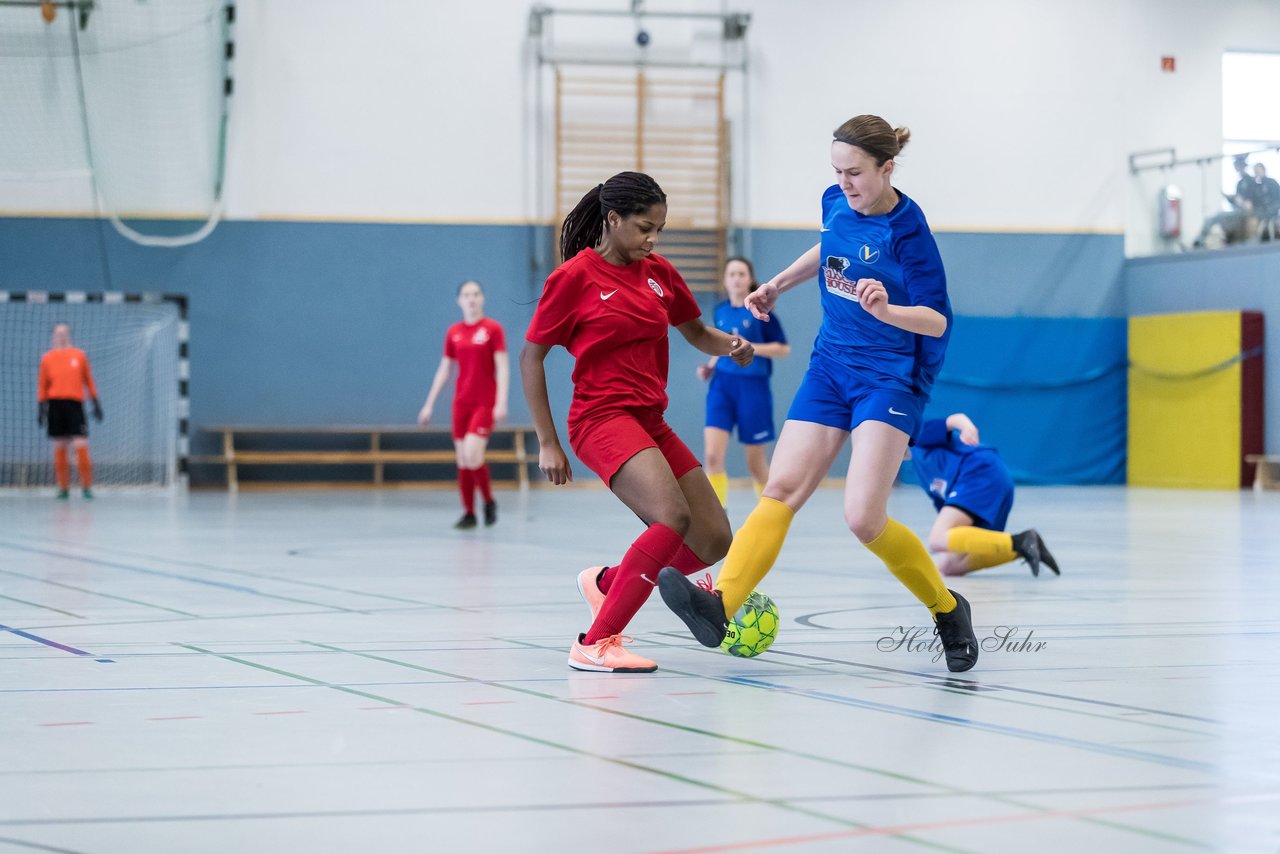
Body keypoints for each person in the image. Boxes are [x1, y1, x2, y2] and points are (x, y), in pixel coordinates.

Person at [656, 114, 983, 673]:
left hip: (890, 376)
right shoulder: (835, 200)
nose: (845, 182)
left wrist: (887, 310)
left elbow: (936, 320)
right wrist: (779, 283)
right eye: (837, 170)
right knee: (780, 488)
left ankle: (948, 608)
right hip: (830, 366)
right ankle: (719, 604)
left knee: (863, 517)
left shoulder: (910, 234)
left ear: (887, 168)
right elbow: (829, 244)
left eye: (856, 172)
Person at [520, 171, 755, 674]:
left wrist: (730, 344)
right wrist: (548, 442)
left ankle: (607, 583)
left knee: (713, 538)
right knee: (672, 517)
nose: (653, 239)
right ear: (613, 220)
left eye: (660, 230)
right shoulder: (573, 279)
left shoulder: (659, 273)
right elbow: (531, 358)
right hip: (600, 418)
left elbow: (695, 332)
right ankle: (596, 641)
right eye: (646, 228)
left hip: (651, 420)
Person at [909, 412, 1059, 577]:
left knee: (937, 539)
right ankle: (1025, 547)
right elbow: (946, 510)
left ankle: (1020, 541)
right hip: (988, 480)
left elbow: (955, 419)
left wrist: (967, 427)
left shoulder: (917, 434)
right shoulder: (922, 471)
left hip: (979, 472)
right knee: (948, 566)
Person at [699, 256, 790, 508]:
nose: (736, 279)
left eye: (741, 274)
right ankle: (717, 517)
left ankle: (770, 512)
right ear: (725, 280)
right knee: (712, 456)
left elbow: (782, 349)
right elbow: (722, 345)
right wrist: (711, 365)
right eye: (732, 274)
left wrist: (750, 348)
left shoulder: (762, 312)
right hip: (721, 387)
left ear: (750, 279)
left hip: (753, 387)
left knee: (755, 463)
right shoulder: (720, 311)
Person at [417, 281, 509, 529]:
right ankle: (469, 513)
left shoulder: (492, 329)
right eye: (466, 295)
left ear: (482, 298)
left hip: (484, 402)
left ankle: (489, 501)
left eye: (476, 294)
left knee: (472, 453)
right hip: (461, 403)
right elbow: (444, 369)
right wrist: (429, 404)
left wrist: (500, 402)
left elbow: (502, 367)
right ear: (459, 300)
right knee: (462, 460)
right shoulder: (454, 332)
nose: (471, 299)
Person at [37, 322, 102, 499]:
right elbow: (43, 384)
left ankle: (87, 487)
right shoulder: (47, 358)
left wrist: (95, 402)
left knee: (81, 444)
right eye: (58, 333)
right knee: (59, 445)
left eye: (64, 333)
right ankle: (63, 488)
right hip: (55, 405)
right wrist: (41, 407)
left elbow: (88, 380)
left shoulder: (79, 356)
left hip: (75, 405)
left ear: (69, 335)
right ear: (53, 336)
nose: (61, 336)